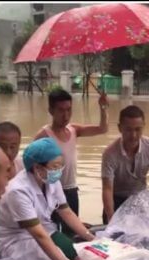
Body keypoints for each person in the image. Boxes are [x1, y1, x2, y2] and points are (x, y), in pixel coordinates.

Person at [0, 138, 95, 260]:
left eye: (60, 165)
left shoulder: (51, 180)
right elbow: (39, 235)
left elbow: (66, 212)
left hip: (45, 229)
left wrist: (92, 238)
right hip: (17, 240)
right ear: (37, 168)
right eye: (55, 167)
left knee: (79, 253)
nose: (58, 171)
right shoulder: (18, 191)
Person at [34, 89, 108, 233]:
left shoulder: (74, 130)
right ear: (51, 111)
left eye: (69, 110)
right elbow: (32, 168)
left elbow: (102, 129)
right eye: (61, 110)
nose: (66, 115)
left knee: (72, 232)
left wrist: (103, 107)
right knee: (51, 231)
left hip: (71, 190)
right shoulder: (43, 136)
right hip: (51, 192)